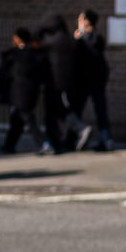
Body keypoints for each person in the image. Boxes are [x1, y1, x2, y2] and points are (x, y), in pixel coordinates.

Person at [35, 13, 91, 153]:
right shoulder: (70, 40)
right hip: (70, 82)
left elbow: (35, 40)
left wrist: (40, 28)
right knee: (61, 110)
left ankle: (64, 137)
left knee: (54, 112)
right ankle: (63, 139)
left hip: (54, 82)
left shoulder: (50, 41)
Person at [0, 27, 54, 156]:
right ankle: (9, 144)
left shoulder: (17, 55)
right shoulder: (35, 54)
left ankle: (44, 143)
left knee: (27, 118)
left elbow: (7, 73)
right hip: (29, 92)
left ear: (18, 39)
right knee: (17, 119)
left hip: (20, 93)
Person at [73, 10, 113, 151]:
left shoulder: (89, 39)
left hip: (88, 80)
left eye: (80, 20)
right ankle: (103, 138)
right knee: (95, 109)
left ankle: (101, 138)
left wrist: (78, 39)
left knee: (81, 109)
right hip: (96, 80)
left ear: (86, 22)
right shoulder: (96, 38)